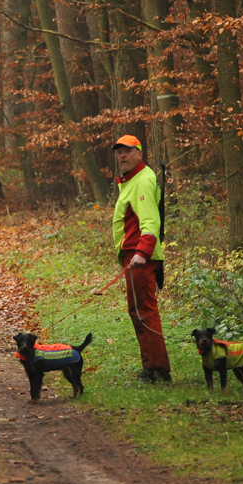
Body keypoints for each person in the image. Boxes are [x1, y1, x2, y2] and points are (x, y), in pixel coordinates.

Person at [111, 135, 170, 383]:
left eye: (127, 151)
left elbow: (150, 222)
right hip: (134, 256)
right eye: (119, 152)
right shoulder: (132, 181)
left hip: (140, 258)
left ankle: (157, 370)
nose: (122, 155)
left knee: (144, 311)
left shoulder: (143, 181)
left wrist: (142, 253)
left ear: (139, 153)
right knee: (138, 310)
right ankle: (152, 367)